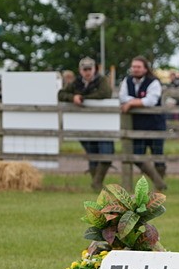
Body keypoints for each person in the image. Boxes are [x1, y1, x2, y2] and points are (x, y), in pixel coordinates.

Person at [58, 57, 115, 190]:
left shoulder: (101, 80)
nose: (87, 72)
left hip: (103, 124)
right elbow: (61, 94)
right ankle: (97, 185)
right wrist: (73, 97)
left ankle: (97, 182)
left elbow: (105, 93)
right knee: (92, 154)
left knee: (107, 154)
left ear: (94, 69)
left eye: (90, 69)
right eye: (85, 69)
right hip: (84, 125)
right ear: (80, 70)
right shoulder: (76, 82)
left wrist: (82, 98)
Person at [118, 55, 167, 190]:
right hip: (137, 125)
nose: (135, 69)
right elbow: (122, 97)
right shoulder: (127, 81)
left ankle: (159, 187)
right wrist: (137, 101)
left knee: (158, 156)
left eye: (138, 67)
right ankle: (159, 182)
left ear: (145, 69)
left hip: (155, 125)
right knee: (137, 155)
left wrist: (131, 103)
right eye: (134, 67)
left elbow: (151, 101)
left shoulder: (154, 82)